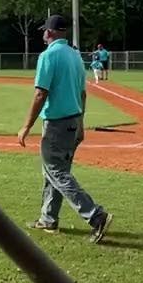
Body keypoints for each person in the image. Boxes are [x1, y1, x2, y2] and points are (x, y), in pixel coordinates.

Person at [18, 14, 113, 244]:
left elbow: (41, 93)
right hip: (72, 121)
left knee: (56, 172)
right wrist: (80, 123)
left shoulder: (48, 56)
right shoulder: (75, 56)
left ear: (50, 32)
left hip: (56, 124)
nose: (43, 34)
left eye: (44, 31)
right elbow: (82, 93)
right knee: (54, 172)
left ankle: (96, 215)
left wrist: (25, 126)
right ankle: (48, 218)